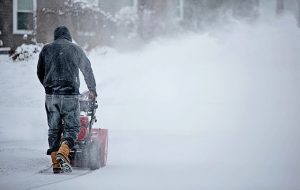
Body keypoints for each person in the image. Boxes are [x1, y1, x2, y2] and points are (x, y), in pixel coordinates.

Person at [37, 26, 97, 173]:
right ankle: (63, 152)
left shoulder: (46, 49)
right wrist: (92, 89)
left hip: (51, 96)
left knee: (54, 129)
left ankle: (55, 163)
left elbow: (40, 72)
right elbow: (86, 68)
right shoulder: (75, 49)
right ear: (68, 37)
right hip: (70, 94)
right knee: (72, 128)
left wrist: (48, 86)